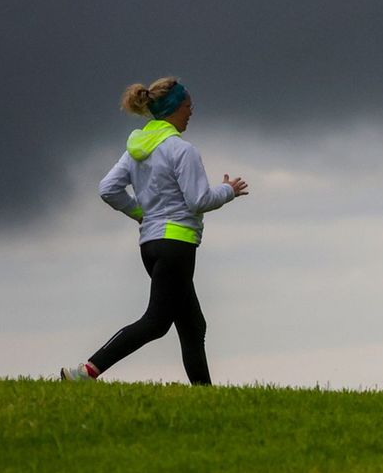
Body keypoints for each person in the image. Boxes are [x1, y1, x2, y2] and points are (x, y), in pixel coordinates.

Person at [61, 77, 248, 385]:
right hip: (177, 245)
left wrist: (139, 214)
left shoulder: (137, 149)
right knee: (156, 322)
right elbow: (198, 200)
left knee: (193, 325)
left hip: (150, 245)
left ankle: (205, 394)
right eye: (189, 106)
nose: (191, 112)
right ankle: (86, 372)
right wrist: (228, 190)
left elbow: (108, 189)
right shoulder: (183, 151)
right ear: (175, 108)